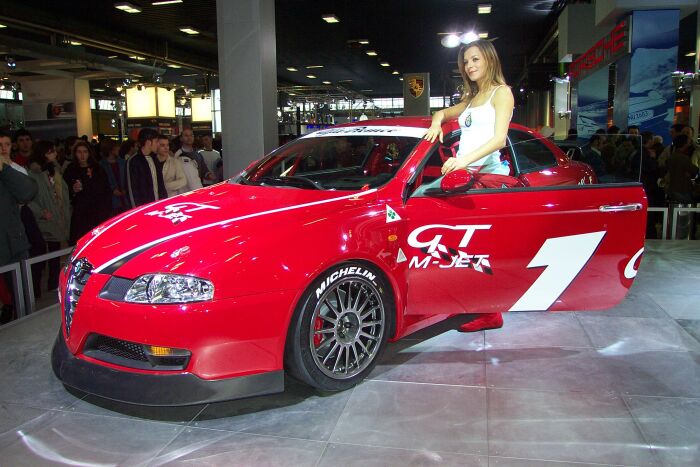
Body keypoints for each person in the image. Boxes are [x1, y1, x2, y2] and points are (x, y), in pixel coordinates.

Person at [424, 39, 514, 332]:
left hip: (488, 181)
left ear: (489, 59)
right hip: (465, 180)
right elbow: (444, 113)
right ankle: (471, 305)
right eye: (465, 62)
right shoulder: (474, 98)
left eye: (475, 59)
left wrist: (464, 161)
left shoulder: (502, 94)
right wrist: (437, 122)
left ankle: (492, 313)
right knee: (466, 253)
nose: (469, 66)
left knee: (482, 253)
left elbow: (499, 140)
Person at [0, 130, 37, 322]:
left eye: (6, 145)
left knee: (21, 297)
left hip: (13, 243)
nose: (3, 150)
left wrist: (5, 169)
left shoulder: (8, 171)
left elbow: (28, 192)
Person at [27, 141, 70, 292]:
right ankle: (35, 288)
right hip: (44, 217)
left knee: (54, 253)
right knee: (39, 254)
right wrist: (40, 211)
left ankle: (53, 283)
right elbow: (29, 198)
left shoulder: (54, 170)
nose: (55, 154)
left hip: (56, 215)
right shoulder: (33, 174)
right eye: (51, 152)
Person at [64, 141, 111, 244]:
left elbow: (105, 189)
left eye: (85, 152)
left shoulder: (97, 169)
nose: (82, 155)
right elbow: (65, 190)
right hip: (80, 212)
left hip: (97, 211)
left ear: (89, 153)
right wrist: (73, 190)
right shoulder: (71, 170)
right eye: (79, 152)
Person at [126, 128, 161, 208]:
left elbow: (160, 184)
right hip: (143, 207)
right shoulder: (134, 161)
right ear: (148, 142)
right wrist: (137, 210)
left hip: (157, 205)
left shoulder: (155, 158)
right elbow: (132, 190)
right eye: (156, 141)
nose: (158, 144)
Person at [98, 139, 129, 215]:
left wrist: (125, 189)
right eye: (116, 148)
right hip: (110, 201)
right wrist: (112, 190)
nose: (119, 150)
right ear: (111, 150)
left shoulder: (123, 162)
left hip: (124, 199)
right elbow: (101, 183)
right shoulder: (101, 165)